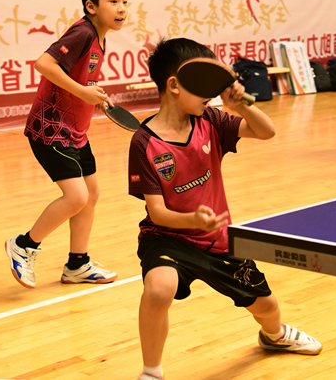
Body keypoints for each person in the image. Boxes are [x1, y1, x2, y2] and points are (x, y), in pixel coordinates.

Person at [128, 38, 322, 380]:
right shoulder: (145, 142)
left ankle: (274, 336)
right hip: (168, 237)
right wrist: (191, 219)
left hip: (217, 239)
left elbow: (267, 131)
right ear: (174, 85)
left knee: (267, 307)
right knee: (159, 288)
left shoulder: (211, 121)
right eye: (203, 83)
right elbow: (157, 213)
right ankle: (151, 372)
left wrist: (242, 106)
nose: (212, 92)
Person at [5, 0, 128, 289]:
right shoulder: (83, 32)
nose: (122, 8)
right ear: (91, 6)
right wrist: (84, 92)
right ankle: (24, 245)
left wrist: (94, 94)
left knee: (91, 194)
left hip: (75, 130)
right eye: (113, 1)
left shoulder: (100, 37)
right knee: (76, 197)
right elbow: (44, 64)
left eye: (125, 1)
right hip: (51, 130)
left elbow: (81, 79)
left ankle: (78, 264)